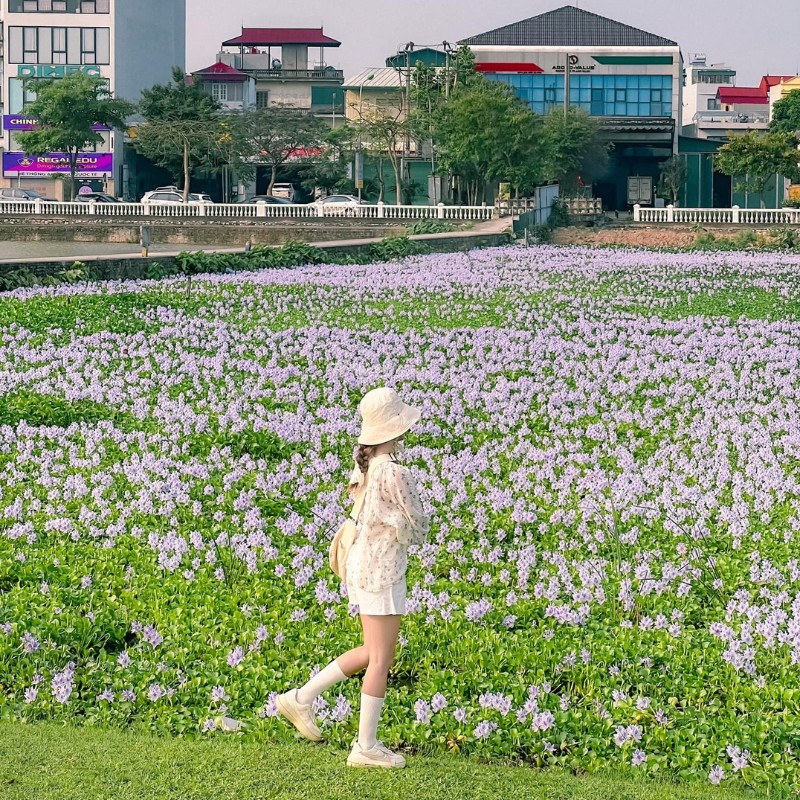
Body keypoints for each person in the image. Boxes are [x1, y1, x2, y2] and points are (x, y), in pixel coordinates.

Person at [276, 387, 429, 768]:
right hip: (383, 570)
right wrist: (404, 531)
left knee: (368, 651)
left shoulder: (363, 466)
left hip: (360, 567)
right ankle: (366, 747)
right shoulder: (395, 472)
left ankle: (300, 698)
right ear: (395, 430)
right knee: (380, 658)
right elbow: (418, 525)